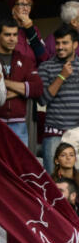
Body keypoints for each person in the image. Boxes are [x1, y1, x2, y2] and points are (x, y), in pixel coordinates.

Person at [0, 19, 42, 143]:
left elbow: (38, 88)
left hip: (19, 124)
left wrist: (5, 83)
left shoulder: (25, 60)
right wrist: (22, 90)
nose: (12, 39)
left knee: (20, 163)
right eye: (7, 34)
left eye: (15, 35)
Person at [38, 26, 79, 173]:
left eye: (65, 43)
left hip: (77, 132)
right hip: (55, 133)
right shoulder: (46, 67)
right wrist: (62, 76)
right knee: (53, 183)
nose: (60, 47)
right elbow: (42, 100)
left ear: (75, 45)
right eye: (58, 43)